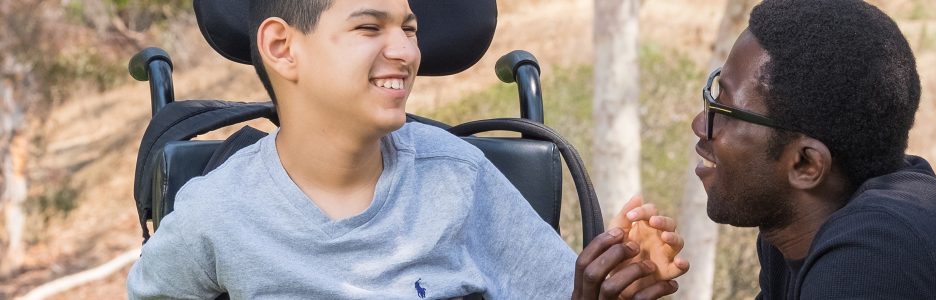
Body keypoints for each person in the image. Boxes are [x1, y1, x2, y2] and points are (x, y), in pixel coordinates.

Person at [127, 0, 687, 298]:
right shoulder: (219, 212)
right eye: (370, 28)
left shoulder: (459, 178)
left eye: (411, 28)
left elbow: (555, 291)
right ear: (282, 47)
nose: (404, 50)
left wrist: (612, 282)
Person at [692, 0, 936, 298]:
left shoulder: (877, 250)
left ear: (806, 165)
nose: (699, 125)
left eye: (726, 112)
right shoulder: (792, 229)